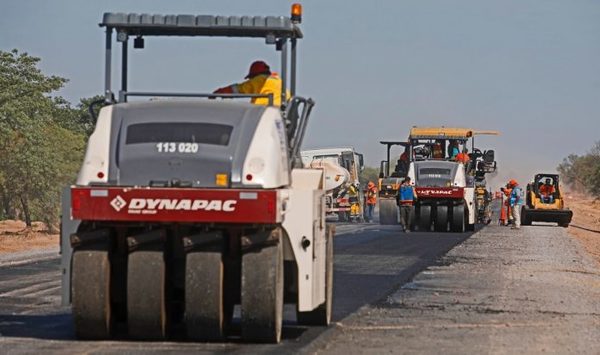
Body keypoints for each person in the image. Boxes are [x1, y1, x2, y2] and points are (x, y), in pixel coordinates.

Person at [213, 60, 287, 106]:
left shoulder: (259, 80)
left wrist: (220, 92)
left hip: (264, 111)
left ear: (254, 75)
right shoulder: (278, 81)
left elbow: (239, 89)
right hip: (279, 113)